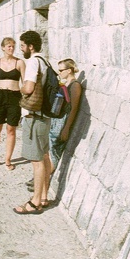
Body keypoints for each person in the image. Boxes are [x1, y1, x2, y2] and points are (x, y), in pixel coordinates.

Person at [13, 30, 50, 215]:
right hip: (44, 117)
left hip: (34, 117)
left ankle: (35, 202)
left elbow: (28, 87)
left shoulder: (33, 62)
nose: (21, 50)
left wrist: (19, 89)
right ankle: (43, 196)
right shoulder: (45, 61)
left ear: (30, 46)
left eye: (22, 46)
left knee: (36, 161)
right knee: (44, 156)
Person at [41, 58, 82, 204]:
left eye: (61, 70)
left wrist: (66, 128)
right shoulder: (68, 84)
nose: (59, 73)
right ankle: (42, 183)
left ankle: (42, 184)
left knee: (53, 156)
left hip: (62, 124)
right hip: (57, 122)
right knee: (49, 153)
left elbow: (73, 109)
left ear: (69, 70)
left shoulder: (75, 86)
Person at [0, 37, 25, 171]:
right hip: (0, 96)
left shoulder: (19, 63)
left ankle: (8, 159)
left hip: (14, 97)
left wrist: (25, 100)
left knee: (11, 129)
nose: (11, 48)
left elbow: (25, 83)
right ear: (3, 47)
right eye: (8, 46)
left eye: (13, 46)